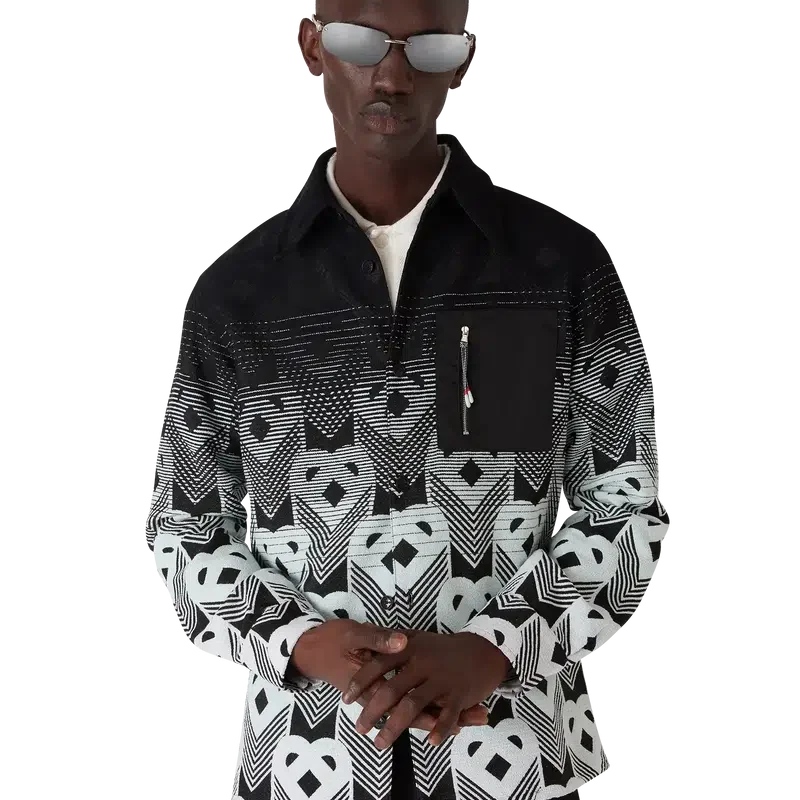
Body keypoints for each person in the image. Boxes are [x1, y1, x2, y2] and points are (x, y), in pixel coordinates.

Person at [143, 0, 672, 797]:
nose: (391, 76)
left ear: (465, 61)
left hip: (523, 765)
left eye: (427, 49)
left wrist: (495, 650)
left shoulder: (560, 267)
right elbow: (183, 536)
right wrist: (304, 642)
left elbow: (628, 507)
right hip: (306, 769)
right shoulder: (234, 298)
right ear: (312, 47)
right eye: (361, 43)